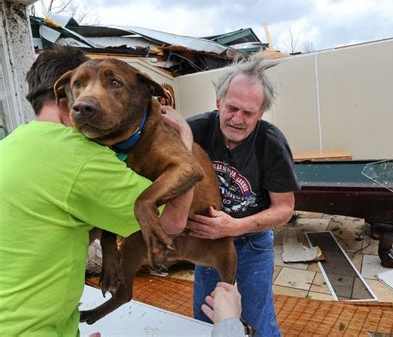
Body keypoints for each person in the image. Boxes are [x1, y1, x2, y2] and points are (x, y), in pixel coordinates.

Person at [0, 46, 194, 336]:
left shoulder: (10, 144)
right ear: (66, 95)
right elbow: (173, 221)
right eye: (83, 85)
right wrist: (184, 140)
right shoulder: (79, 157)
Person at [186, 57, 300, 336]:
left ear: (260, 113)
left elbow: (284, 208)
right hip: (207, 242)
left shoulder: (271, 144)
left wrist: (235, 226)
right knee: (207, 314)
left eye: (248, 113)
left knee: (257, 321)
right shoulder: (194, 130)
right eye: (231, 108)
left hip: (252, 244)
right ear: (218, 102)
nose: (237, 119)